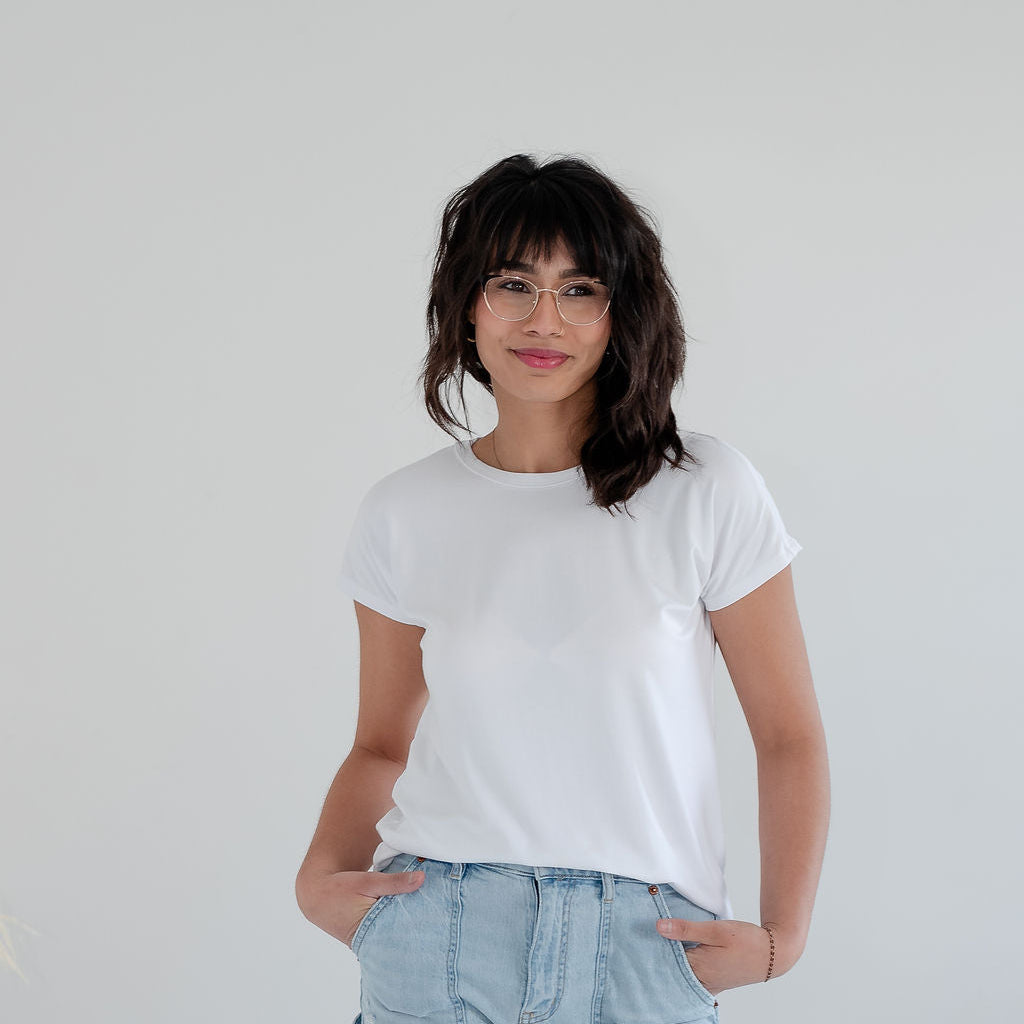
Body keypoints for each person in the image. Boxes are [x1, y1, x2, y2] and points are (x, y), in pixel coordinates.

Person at [295, 153, 830, 1023]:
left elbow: (787, 736)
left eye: (580, 290)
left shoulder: (704, 490)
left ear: (622, 314)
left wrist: (783, 937)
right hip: (439, 936)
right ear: (466, 304)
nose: (545, 319)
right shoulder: (404, 511)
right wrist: (320, 881)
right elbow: (381, 746)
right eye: (514, 284)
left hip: (644, 944)